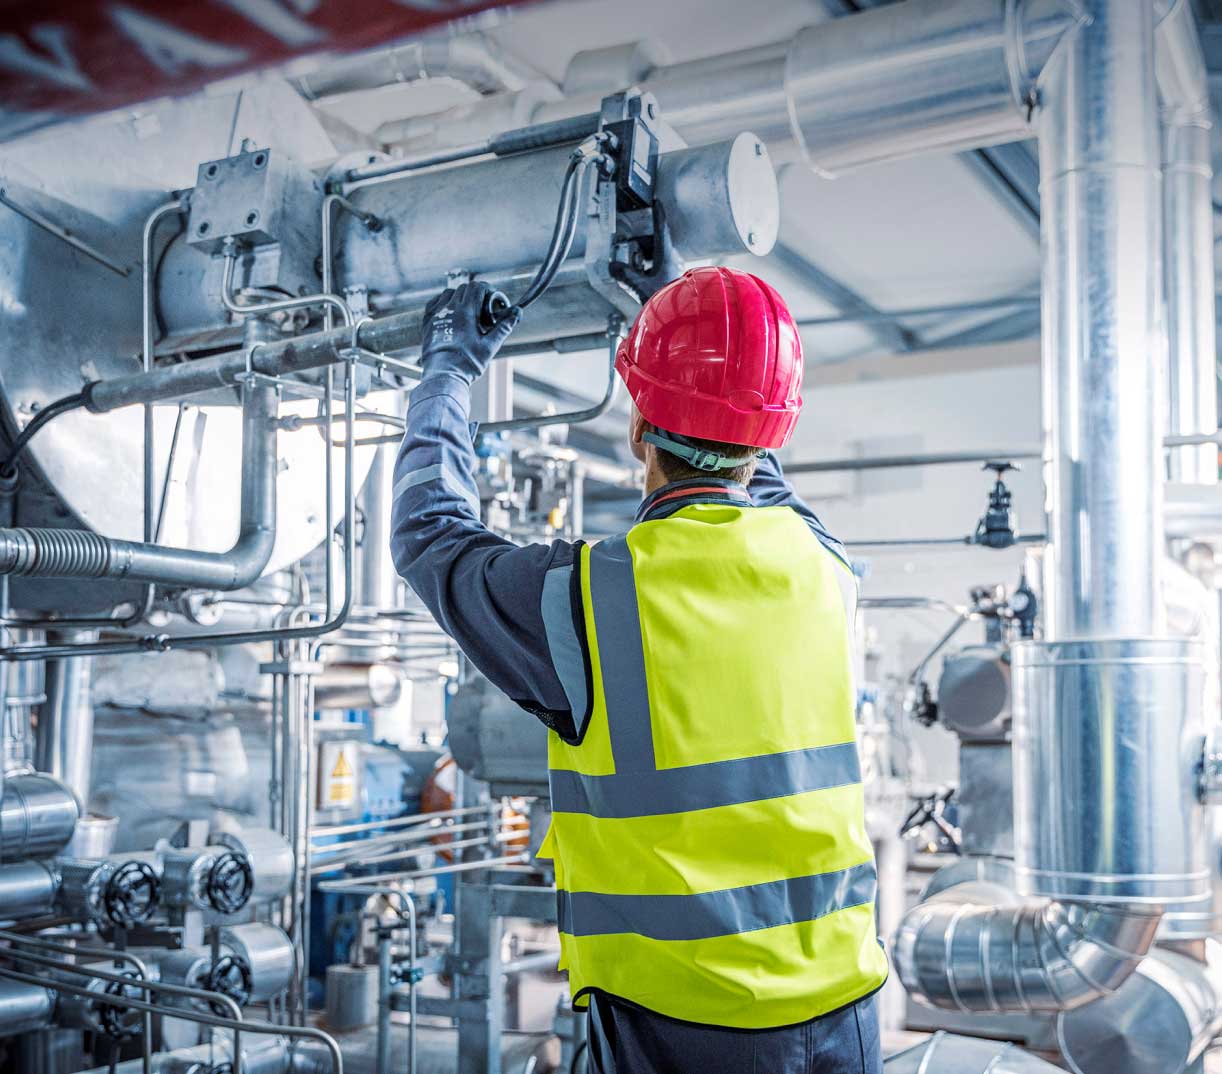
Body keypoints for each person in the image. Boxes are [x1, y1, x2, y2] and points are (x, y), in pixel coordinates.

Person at [390, 267, 888, 1074]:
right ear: (774, 429)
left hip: (688, 1026)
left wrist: (448, 367)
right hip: (848, 1008)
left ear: (636, 428)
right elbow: (753, 463)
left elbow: (430, 532)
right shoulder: (823, 560)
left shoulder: (588, 599)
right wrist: (691, 326)